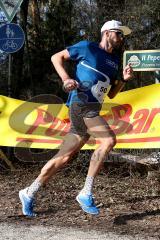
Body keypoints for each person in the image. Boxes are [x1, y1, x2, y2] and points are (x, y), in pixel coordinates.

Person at [19, 20, 133, 216]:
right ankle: (85, 192)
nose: (122, 38)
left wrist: (123, 79)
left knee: (64, 157)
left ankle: (29, 192)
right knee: (108, 140)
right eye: (119, 33)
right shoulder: (87, 47)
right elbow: (56, 57)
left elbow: (112, 94)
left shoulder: (114, 60)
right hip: (81, 104)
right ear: (107, 33)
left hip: (90, 109)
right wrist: (66, 79)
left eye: (123, 35)